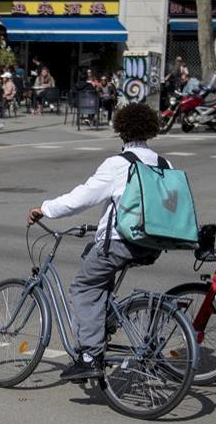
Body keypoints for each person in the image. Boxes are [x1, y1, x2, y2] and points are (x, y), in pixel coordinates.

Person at [26, 102, 167, 380]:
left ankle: (90, 355)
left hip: (120, 242)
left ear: (120, 130)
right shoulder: (162, 163)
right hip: (152, 242)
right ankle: (102, 324)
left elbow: (82, 197)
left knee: (83, 287)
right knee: (95, 265)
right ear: (150, 129)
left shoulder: (118, 164)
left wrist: (46, 208)